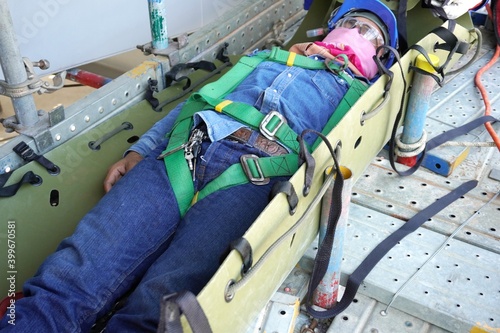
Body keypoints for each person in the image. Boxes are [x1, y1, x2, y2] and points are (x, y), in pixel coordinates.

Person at [0, 0, 397, 331]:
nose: (357, 33)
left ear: (379, 58)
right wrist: (141, 151)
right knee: (72, 273)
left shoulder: (362, 97)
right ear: (329, 29)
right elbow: (197, 102)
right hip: (180, 153)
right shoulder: (265, 58)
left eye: (370, 33)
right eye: (351, 23)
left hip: (255, 179)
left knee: (159, 309)